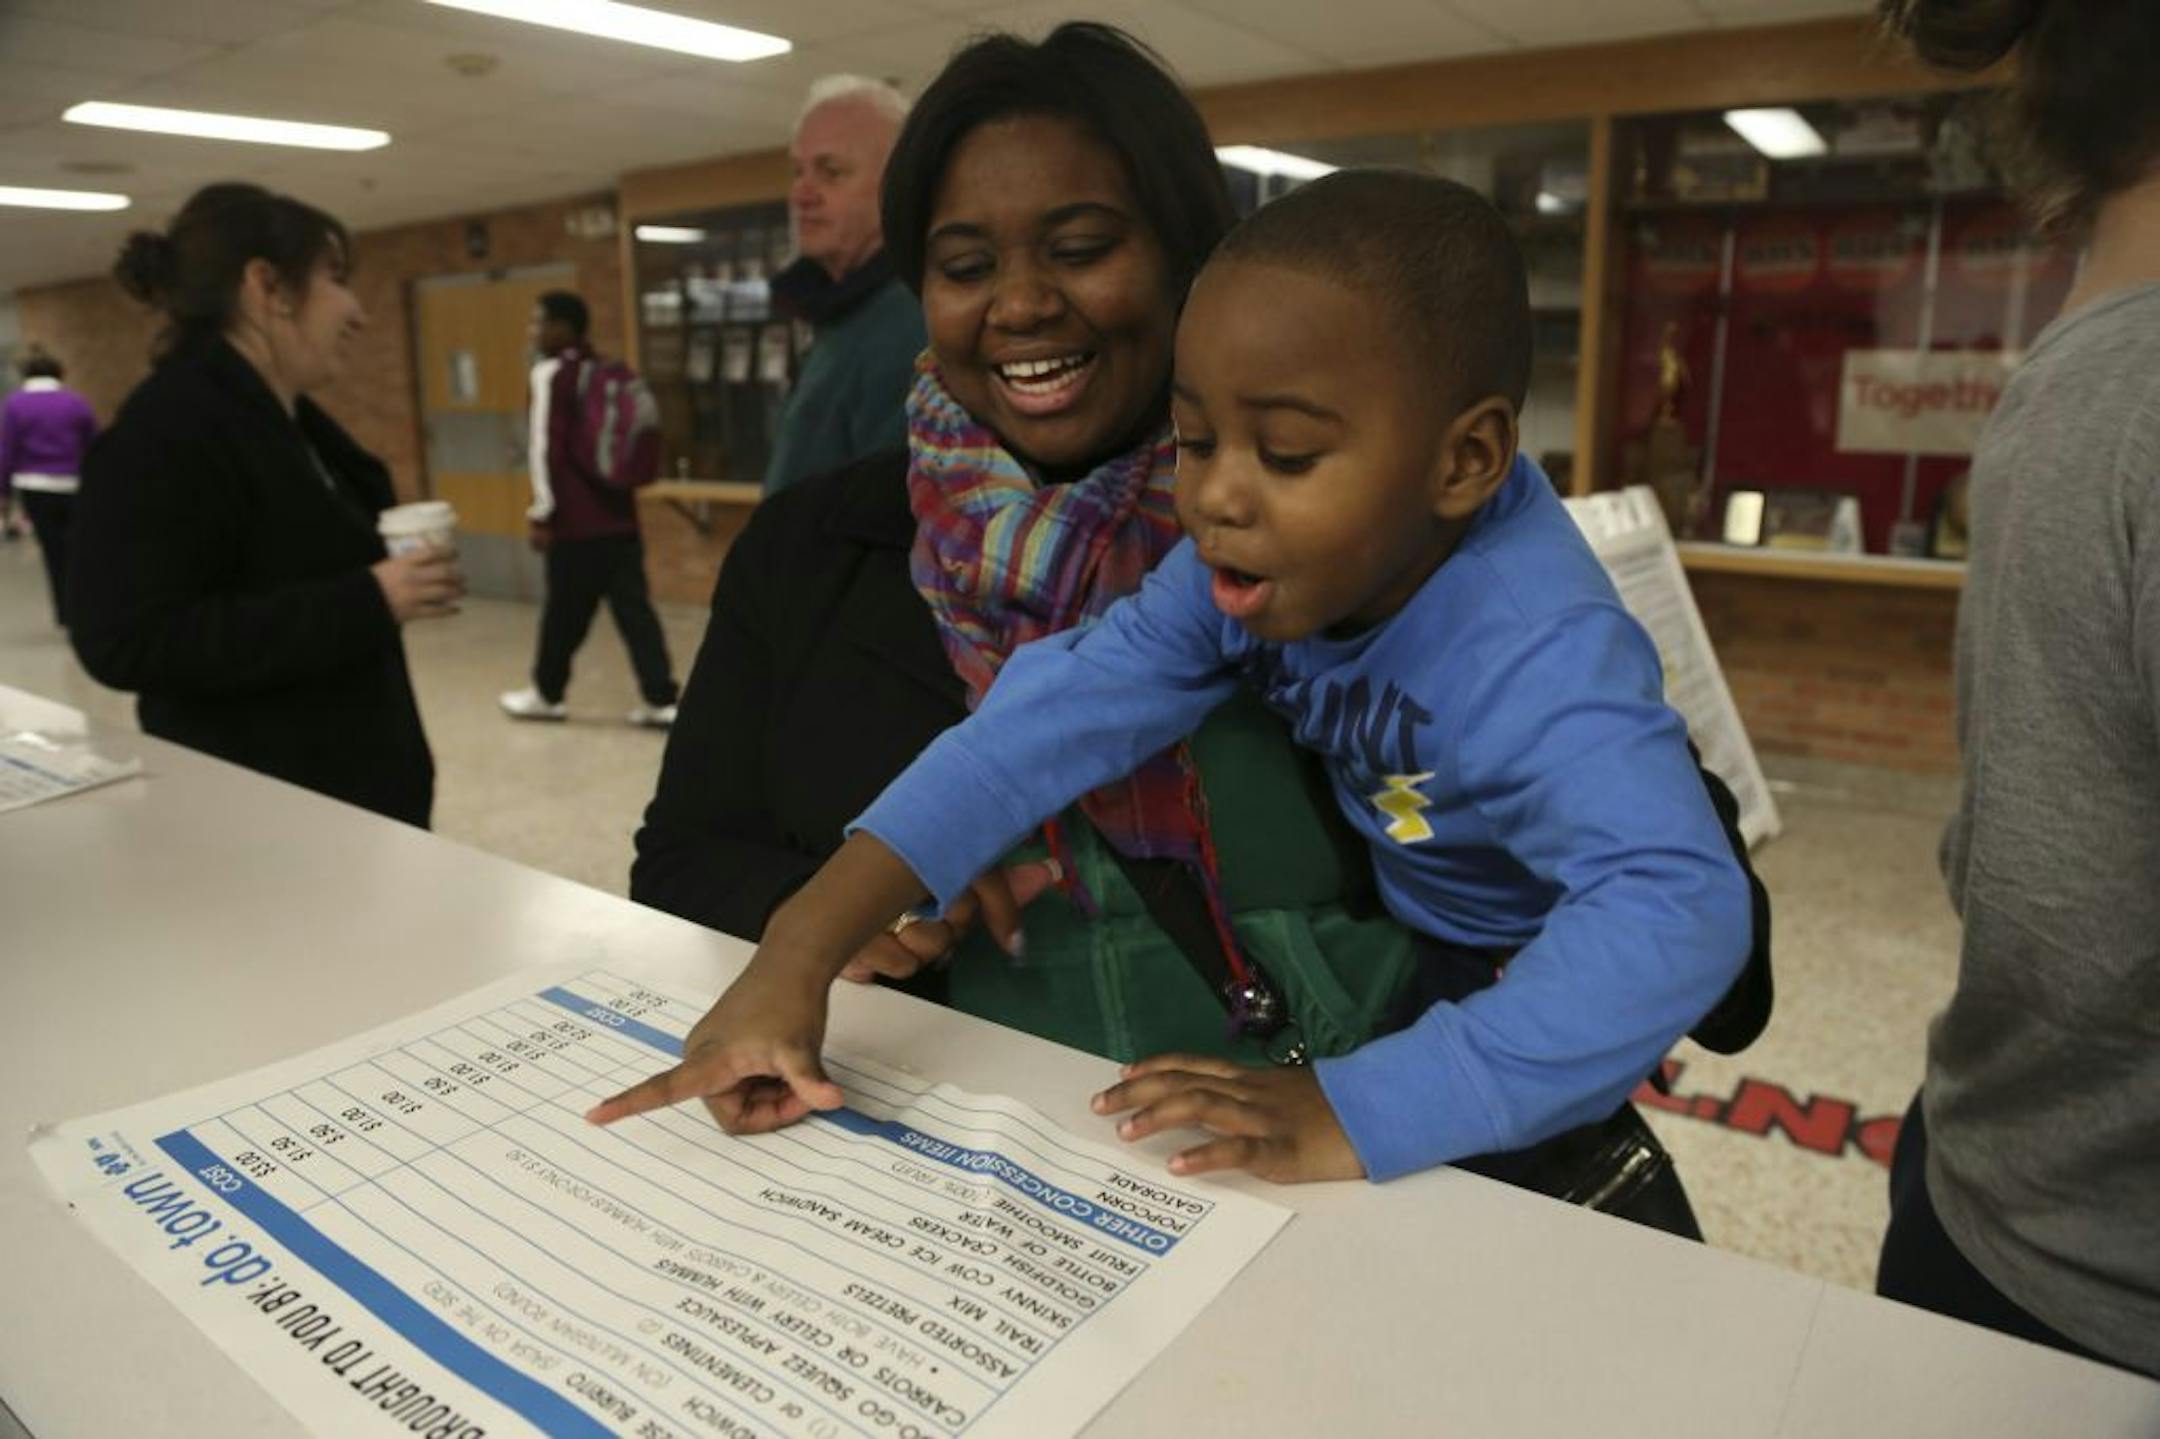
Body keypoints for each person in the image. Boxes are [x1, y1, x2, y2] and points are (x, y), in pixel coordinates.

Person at [626, 26, 1765, 1228]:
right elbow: (1050, 712)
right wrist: (805, 937)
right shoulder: (1227, 543)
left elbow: (1682, 909)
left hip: (1476, 1021)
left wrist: (1359, 1104)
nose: (1216, 497)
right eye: (1198, 440)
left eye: (1282, 452)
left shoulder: (1525, 637)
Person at [1873, 0, 2160, 1379]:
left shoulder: (2082, 388)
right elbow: (2054, 902)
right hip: (2076, 1275)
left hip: (2019, 1205)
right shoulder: (2129, 398)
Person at [69, 182, 459, 827]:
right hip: (259, 819)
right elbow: (126, 640)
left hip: (343, 803)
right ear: (267, 288)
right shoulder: (166, 433)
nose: (356, 311)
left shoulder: (289, 423)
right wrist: (369, 598)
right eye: (335, 277)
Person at [498, 290, 680, 727]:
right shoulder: (604, 370)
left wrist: (542, 512)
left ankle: (546, 693)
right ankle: (662, 699)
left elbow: (545, 450)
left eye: (540, 322)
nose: (534, 331)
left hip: (576, 523)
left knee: (563, 614)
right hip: (619, 518)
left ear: (564, 327)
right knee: (636, 613)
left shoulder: (551, 374)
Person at [762, 75, 927, 495]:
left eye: (830, 172)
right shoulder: (842, 314)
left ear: (899, 185)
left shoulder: (910, 323)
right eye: (797, 171)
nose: (801, 193)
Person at [0, 350, 98, 626]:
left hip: (35, 486)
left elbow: (7, 450)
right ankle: (86, 604)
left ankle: (65, 612)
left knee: (53, 550)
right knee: (79, 548)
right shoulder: (75, 403)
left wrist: (3, 491)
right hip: (74, 484)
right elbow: (94, 444)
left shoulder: (15, 405)